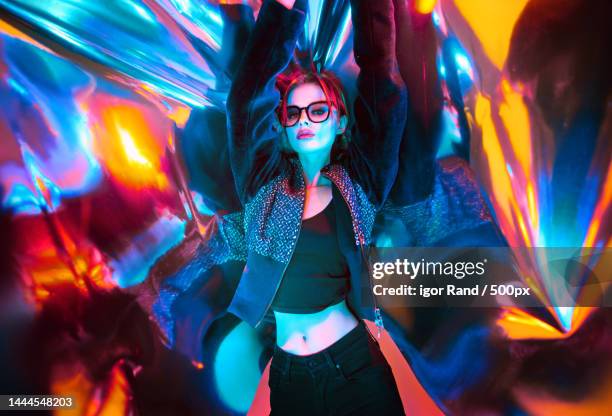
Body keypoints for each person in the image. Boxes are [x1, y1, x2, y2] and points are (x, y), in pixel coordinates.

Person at [224, 0, 407, 414]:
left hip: (356, 369)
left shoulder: (358, 182)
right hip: (289, 380)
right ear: (285, 126)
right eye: (294, 112)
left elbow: (384, 94)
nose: (304, 119)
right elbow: (243, 106)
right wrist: (283, 11)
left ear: (339, 121)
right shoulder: (263, 186)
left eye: (318, 109)